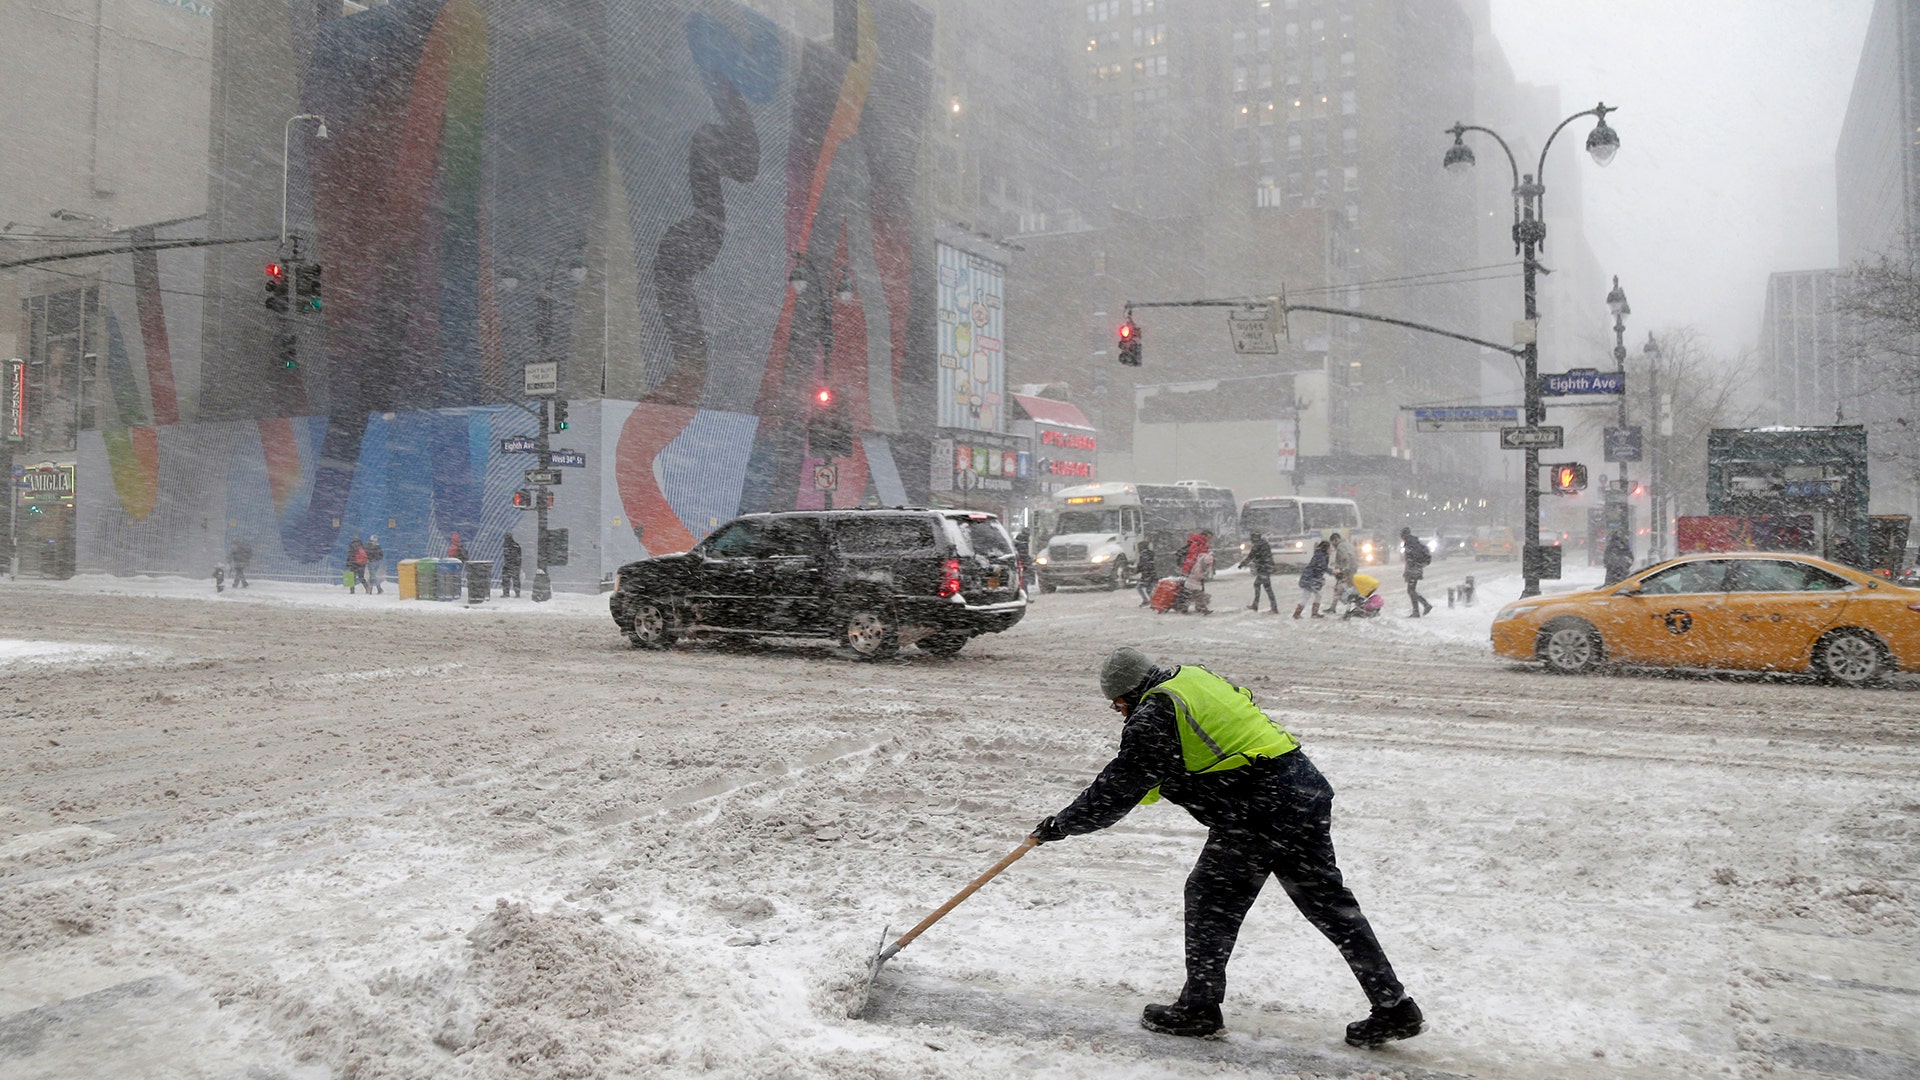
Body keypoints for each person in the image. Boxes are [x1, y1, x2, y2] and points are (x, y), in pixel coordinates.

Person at [1031, 647, 1423, 1048]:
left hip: (1259, 809)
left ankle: (1199, 1009)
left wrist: (1063, 824)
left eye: (1115, 701)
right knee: (1329, 903)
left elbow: (1119, 787)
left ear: (1129, 691)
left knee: (1210, 897)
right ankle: (1395, 1007)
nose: (1115, 709)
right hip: (1301, 789)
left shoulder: (1154, 715)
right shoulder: (1194, 680)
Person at [1239, 531, 1277, 613]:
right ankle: (1258, 605)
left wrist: (1242, 564)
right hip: (1267, 567)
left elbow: (1251, 556)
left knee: (1266, 587)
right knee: (1261, 586)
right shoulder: (1264, 544)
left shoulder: (1257, 545)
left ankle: (1272, 607)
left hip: (1263, 568)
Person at [1399, 528, 1433, 617]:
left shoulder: (1409, 544)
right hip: (1417, 568)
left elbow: (1410, 559)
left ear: (1404, 535)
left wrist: (1409, 570)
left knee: (1411, 590)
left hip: (1413, 569)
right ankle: (1422, 607)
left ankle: (1420, 608)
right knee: (1411, 590)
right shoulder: (1414, 543)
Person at [1294, 539, 1329, 619]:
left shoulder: (1318, 554)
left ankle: (1298, 613)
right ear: (1326, 548)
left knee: (1308, 596)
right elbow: (1322, 568)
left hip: (1308, 578)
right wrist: (1333, 572)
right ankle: (1312, 613)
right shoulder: (1321, 556)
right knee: (1316, 595)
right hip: (1311, 579)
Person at [1181, 543, 1215, 615]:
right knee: (1201, 596)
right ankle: (1202, 609)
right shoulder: (1200, 564)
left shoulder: (1199, 561)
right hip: (1194, 582)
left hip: (1192, 582)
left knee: (1191, 596)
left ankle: (1185, 608)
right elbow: (1198, 574)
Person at [1327, 533, 1356, 614]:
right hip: (1352, 570)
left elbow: (1345, 558)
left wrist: (1342, 569)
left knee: (1340, 588)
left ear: (1335, 540)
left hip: (1346, 571)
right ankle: (1333, 607)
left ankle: (1334, 608)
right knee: (1350, 588)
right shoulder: (1348, 544)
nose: (1333, 545)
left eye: (1333, 542)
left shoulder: (1340, 546)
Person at [1135, 539, 1158, 606]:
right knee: (1149, 589)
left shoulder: (1143, 555)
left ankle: (1146, 600)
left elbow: (1141, 566)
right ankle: (1153, 602)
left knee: (1139, 587)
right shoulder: (1150, 554)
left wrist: (1136, 571)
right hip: (1152, 575)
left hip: (1147, 576)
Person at [500, 532, 523, 598]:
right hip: (514, 565)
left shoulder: (507, 545)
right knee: (515, 579)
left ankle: (506, 593)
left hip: (509, 565)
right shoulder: (515, 545)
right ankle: (517, 593)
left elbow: (509, 556)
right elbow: (519, 557)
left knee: (506, 579)